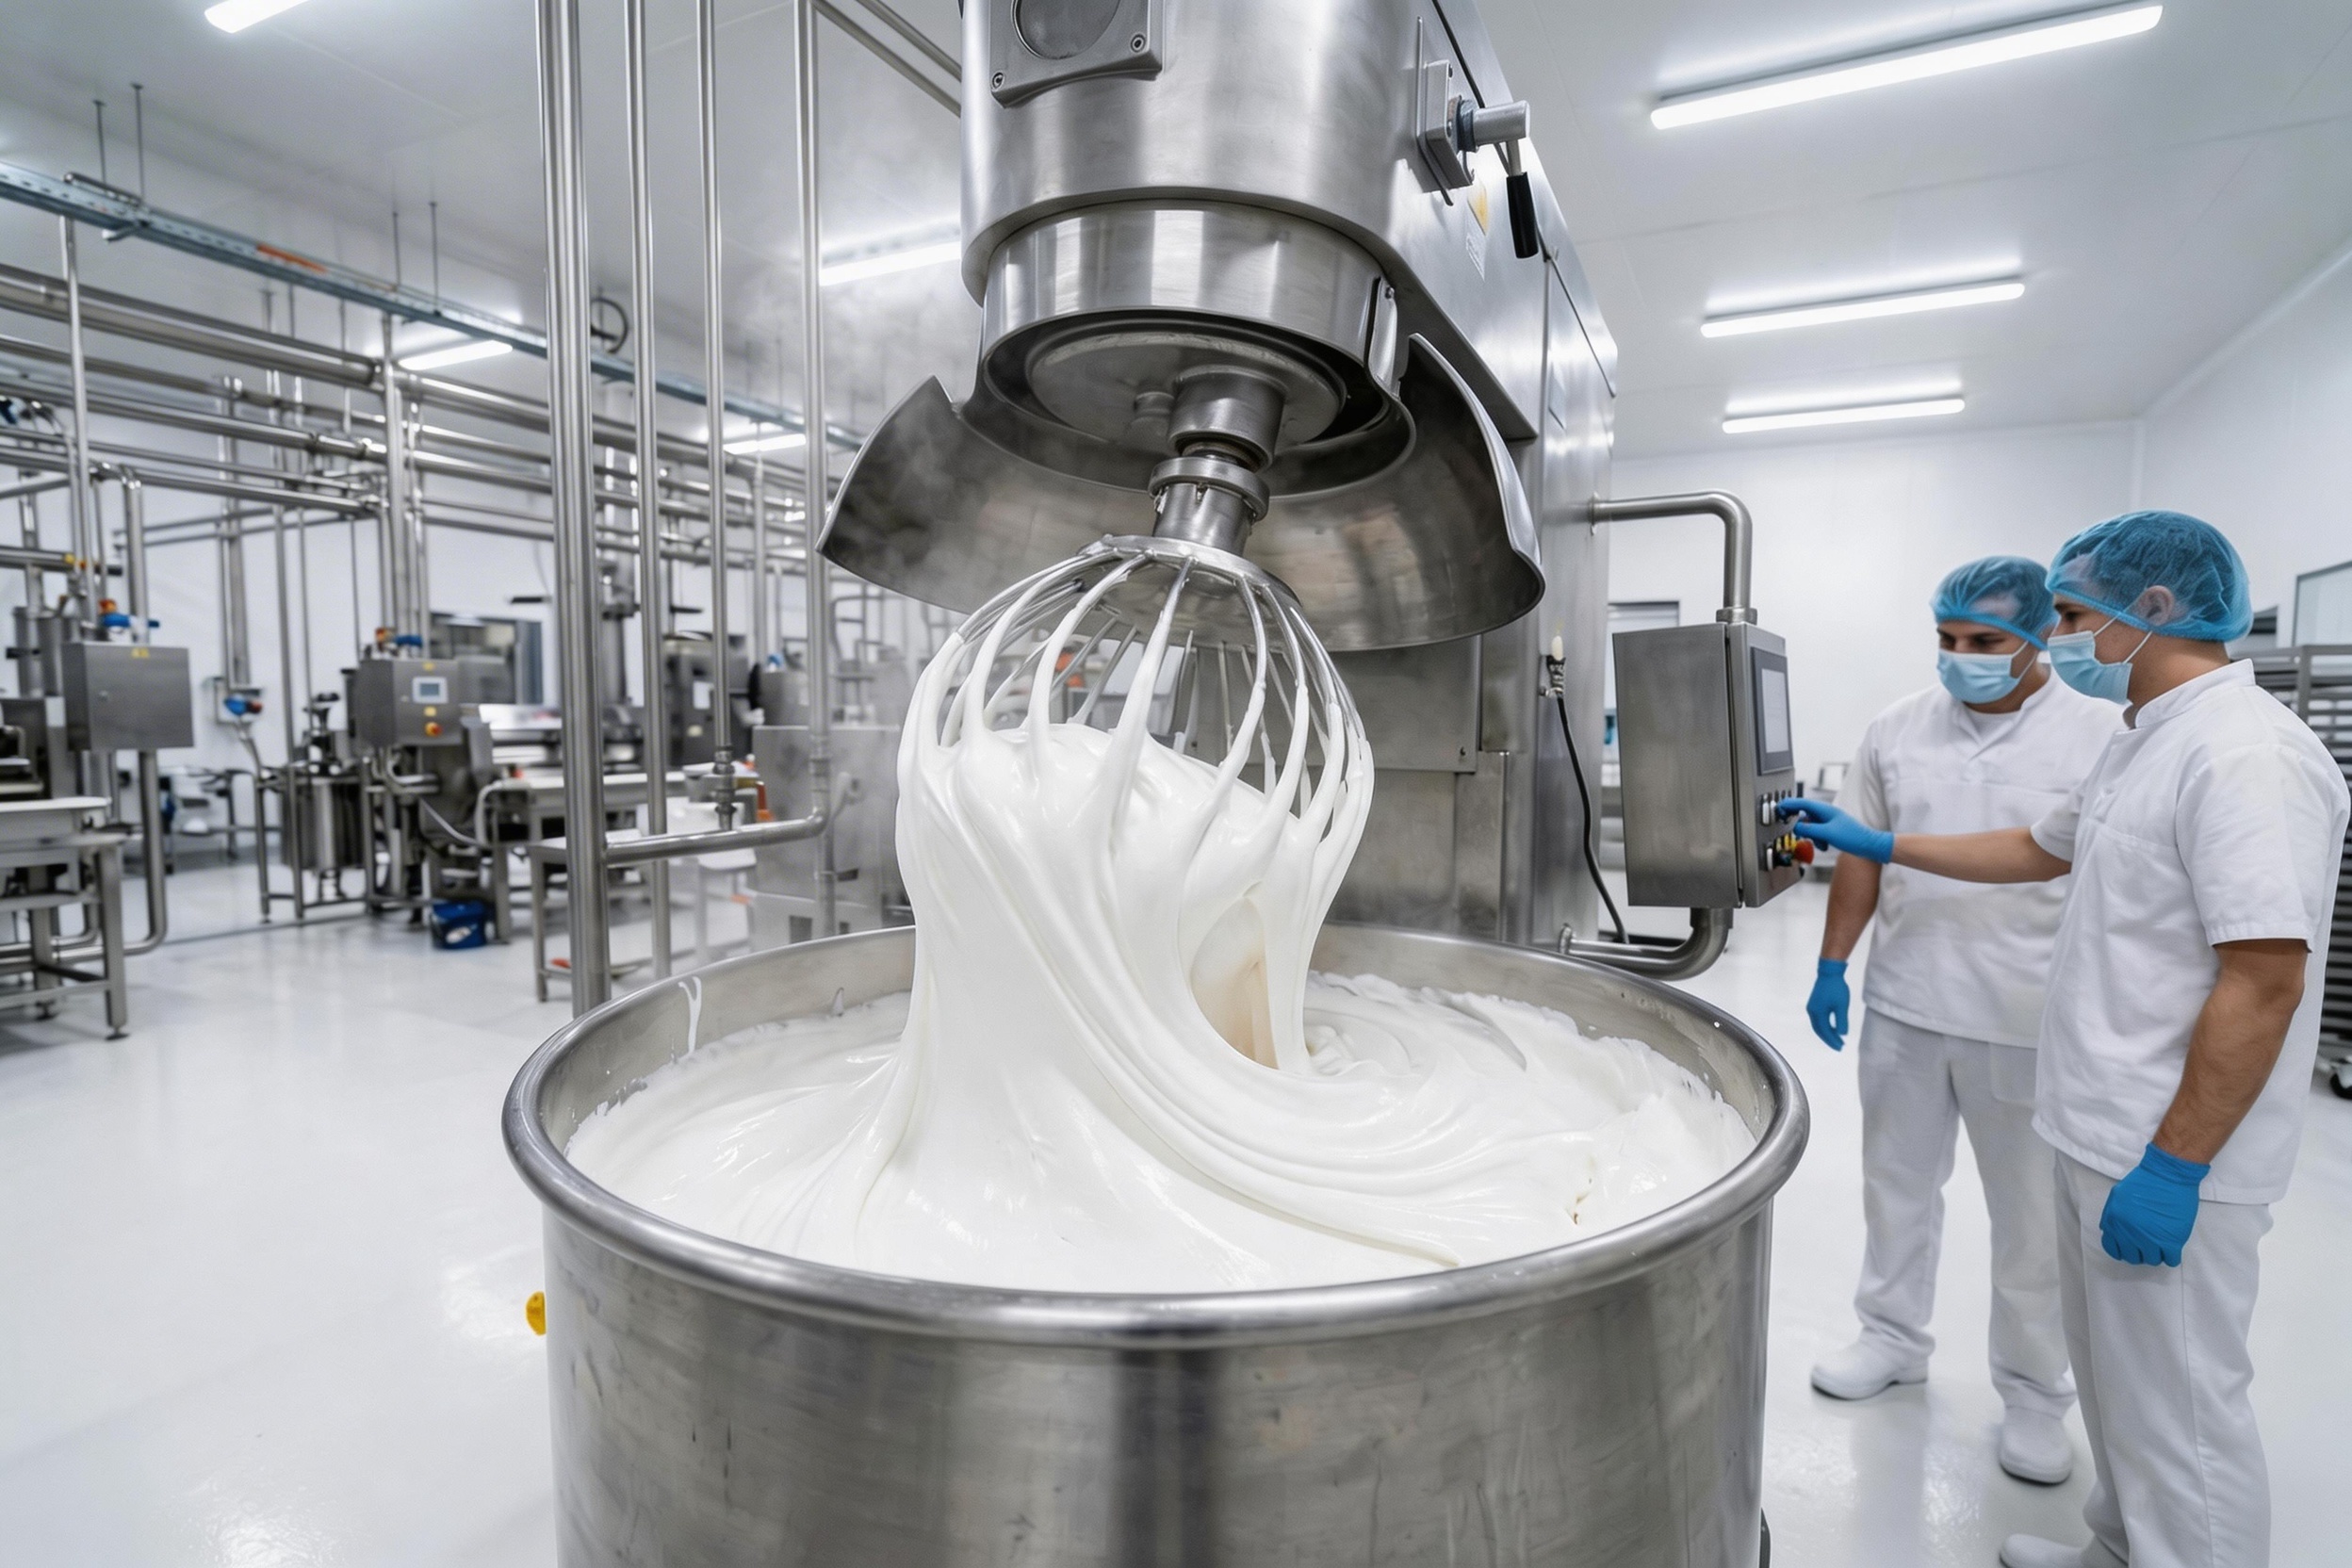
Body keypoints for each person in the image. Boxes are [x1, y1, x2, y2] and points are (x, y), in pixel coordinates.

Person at [1782, 512, 2349, 1568]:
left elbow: (2267, 975)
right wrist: (1873, 841)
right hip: (2095, 1110)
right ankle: (2122, 1546)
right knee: (2124, 1386)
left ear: (2156, 611)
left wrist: (2177, 1162)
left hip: (2162, 1135)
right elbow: (2035, 849)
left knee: (2180, 1408)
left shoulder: (2247, 756)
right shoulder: (2152, 736)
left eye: (2077, 616)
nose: (2070, 634)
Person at [1804, 556, 2120, 1488]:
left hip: (2025, 1011)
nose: (1961, 658)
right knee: (1895, 1185)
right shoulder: (1897, 729)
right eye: (1947, 639)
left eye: (1984, 642)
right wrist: (1833, 963)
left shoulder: (2099, 734)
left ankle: (2032, 1391)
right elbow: (1860, 855)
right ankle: (1892, 1335)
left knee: (2027, 1217)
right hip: (1906, 999)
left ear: (2038, 640)